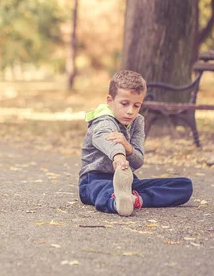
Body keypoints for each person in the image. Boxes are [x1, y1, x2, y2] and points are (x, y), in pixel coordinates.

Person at [78, 70, 193, 216]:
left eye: (136, 105)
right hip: (95, 179)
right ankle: (116, 202)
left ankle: (134, 199)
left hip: (127, 182)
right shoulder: (103, 119)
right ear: (110, 100)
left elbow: (138, 161)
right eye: (124, 104)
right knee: (104, 190)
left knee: (183, 185)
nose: (130, 111)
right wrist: (119, 156)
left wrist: (128, 147)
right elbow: (103, 136)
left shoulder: (138, 121)